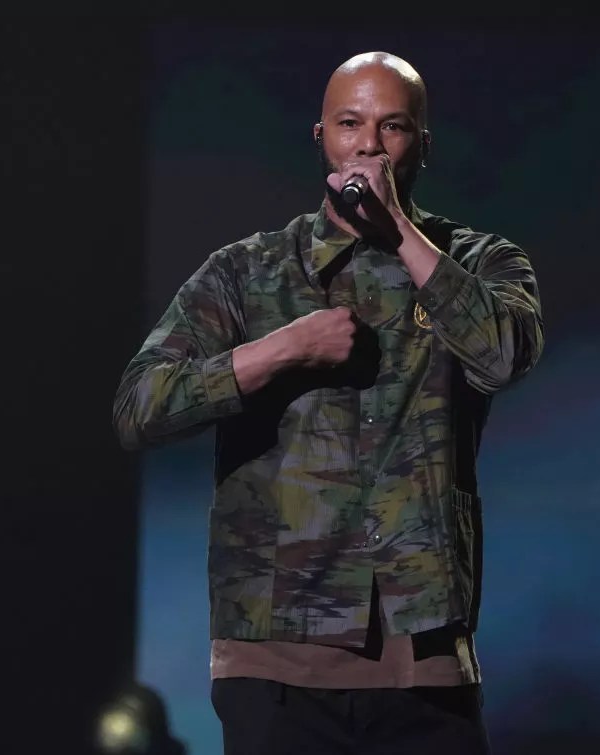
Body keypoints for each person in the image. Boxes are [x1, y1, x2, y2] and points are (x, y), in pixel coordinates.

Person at [113, 51, 545, 755]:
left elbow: (503, 357)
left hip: (423, 656)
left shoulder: (480, 261)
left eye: (391, 127)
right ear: (321, 137)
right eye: (350, 124)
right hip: (277, 660)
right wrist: (278, 351)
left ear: (422, 146)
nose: (368, 145)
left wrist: (397, 226)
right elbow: (139, 407)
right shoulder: (246, 272)